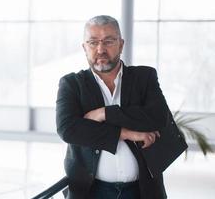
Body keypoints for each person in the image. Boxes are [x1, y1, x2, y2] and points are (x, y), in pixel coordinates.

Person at [56, 15, 187, 199]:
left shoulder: (144, 77)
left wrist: (104, 114)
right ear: (84, 47)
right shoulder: (71, 84)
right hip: (91, 192)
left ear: (121, 44)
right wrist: (127, 133)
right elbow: (67, 129)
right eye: (93, 42)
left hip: (142, 191)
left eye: (108, 41)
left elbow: (157, 117)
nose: (100, 49)